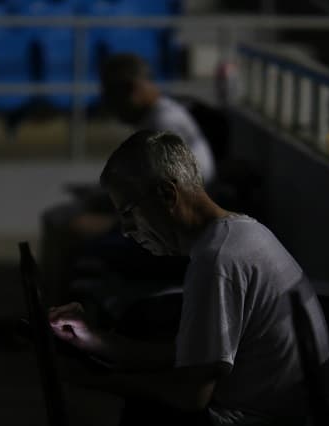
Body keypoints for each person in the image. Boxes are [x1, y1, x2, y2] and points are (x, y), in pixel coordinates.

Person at [48, 130, 309, 426]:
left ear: (167, 195)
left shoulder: (218, 260)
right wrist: (98, 342)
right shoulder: (242, 233)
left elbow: (190, 395)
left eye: (128, 213)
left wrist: (96, 380)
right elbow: (193, 358)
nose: (126, 230)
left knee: (79, 412)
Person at [41, 52, 215, 305]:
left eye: (111, 97)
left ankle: (57, 319)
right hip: (162, 217)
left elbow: (167, 198)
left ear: (132, 90)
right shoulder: (159, 116)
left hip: (174, 230)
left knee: (68, 228)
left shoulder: (164, 125)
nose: (109, 106)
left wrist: (112, 218)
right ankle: (53, 313)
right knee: (61, 216)